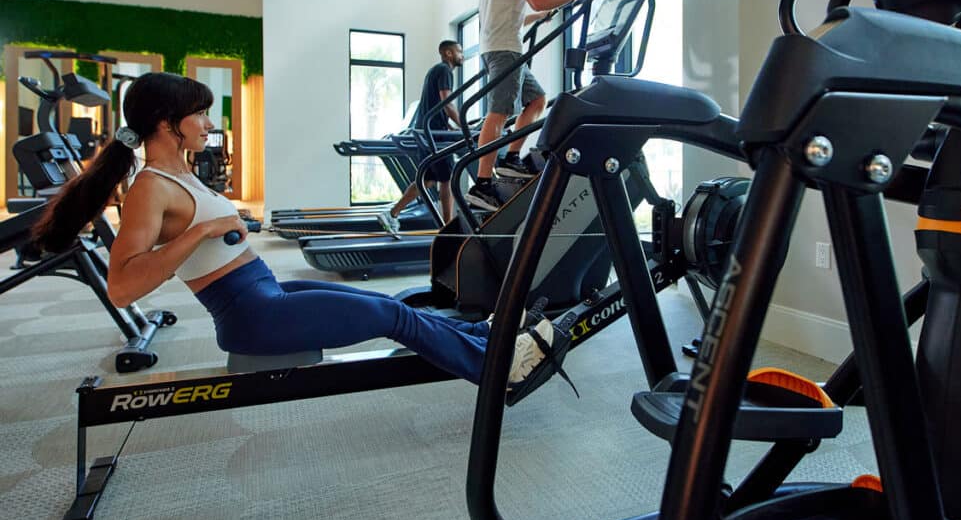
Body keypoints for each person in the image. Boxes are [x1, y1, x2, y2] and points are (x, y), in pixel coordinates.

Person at [32, 72, 570, 403]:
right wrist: (204, 229)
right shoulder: (151, 187)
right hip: (251, 317)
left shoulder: (182, 174)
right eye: (198, 113)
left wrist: (228, 224)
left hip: (266, 290)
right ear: (168, 123)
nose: (206, 121)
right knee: (392, 318)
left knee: (385, 302)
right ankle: (496, 370)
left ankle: (492, 341)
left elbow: (213, 234)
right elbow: (122, 287)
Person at [466, 0, 590, 211]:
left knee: (536, 100)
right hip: (506, 49)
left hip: (496, 46)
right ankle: (482, 185)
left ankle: (510, 158)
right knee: (498, 114)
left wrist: (540, 17)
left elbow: (512, 12)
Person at [377, 40, 463, 234]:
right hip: (434, 136)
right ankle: (447, 227)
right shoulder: (444, 71)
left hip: (428, 130)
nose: (462, 55)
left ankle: (392, 213)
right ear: (448, 53)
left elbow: (437, 107)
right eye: (459, 51)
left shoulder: (435, 71)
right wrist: (463, 126)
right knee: (446, 179)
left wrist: (449, 126)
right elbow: (447, 103)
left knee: (427, 180)